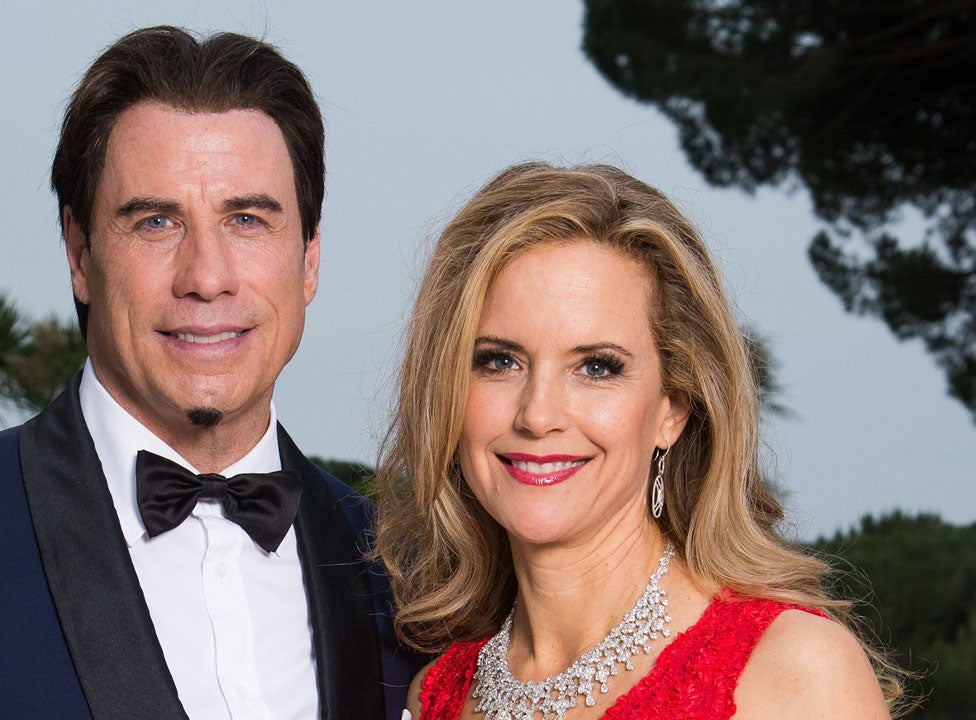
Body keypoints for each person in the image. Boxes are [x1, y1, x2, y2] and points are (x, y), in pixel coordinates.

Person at [0, 26, 418, 720]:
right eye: (156, 222)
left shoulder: (405, 577)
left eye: (247, 220)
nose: (206, 277)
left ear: (309, 258)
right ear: (79, 254)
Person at [375, 162, 904, 719]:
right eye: (499, 361)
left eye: (597, 367)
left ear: (673, 406)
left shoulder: (795, 673)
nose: (538, 415)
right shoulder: (435, 696)